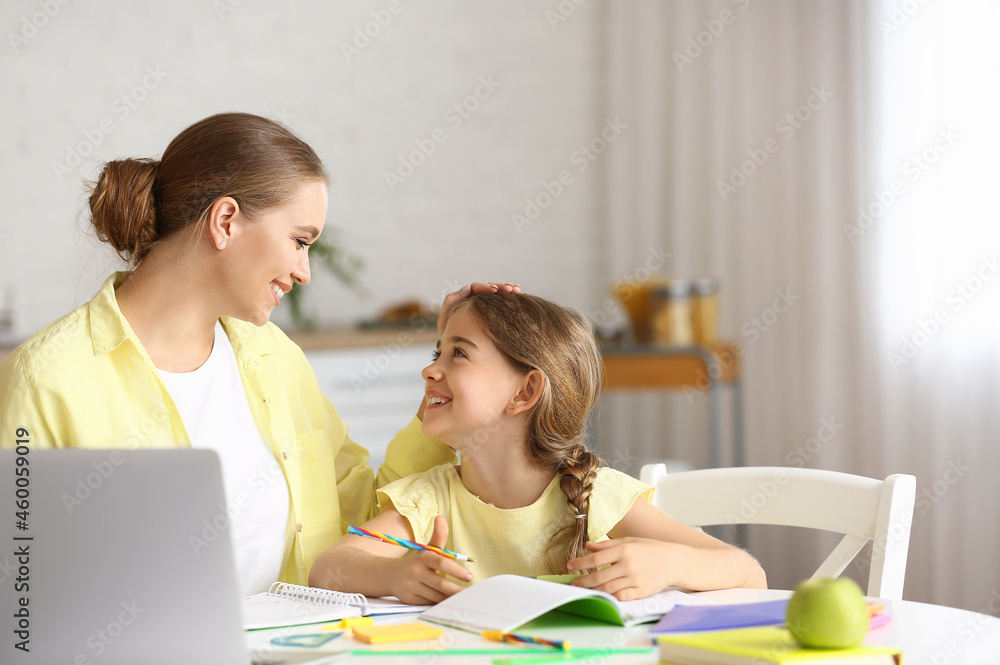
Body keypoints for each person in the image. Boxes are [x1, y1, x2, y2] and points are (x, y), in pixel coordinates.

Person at [0, 112, 517, 595]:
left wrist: (449, 379)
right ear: (225, 221)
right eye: (299, 239)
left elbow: (361, 510)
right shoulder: (48, 379)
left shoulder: (273, 357)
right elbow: (19, 591)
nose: (304, 270)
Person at [309, 292, 767, 604]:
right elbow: (329, 567)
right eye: (436, 354)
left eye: (458, 354)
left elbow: (749, 575)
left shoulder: (595, 497)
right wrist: (395, 576)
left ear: (525, 393)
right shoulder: (430, 500)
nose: (429, 372)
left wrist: (667, 563)